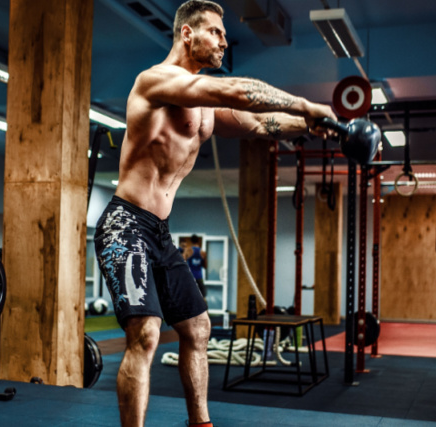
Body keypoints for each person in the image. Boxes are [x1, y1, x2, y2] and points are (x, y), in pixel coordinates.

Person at [94, 1, 336, 426]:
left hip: (159, 232)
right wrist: (304, 104)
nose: (225, 40)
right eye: (216, 32)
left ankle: (199, 423)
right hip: (124, 224)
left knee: (198, 328)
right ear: (188, 34)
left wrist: (310, 126)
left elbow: (261, 124)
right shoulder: (156, 81)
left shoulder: (203, 105)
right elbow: (240, 91)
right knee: (147, 333)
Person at [183, 234, 207, 299]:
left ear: (191, 241)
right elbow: (205, 266)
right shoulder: (203, 252)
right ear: (198, 241)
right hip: (199, 277)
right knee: (202, 298)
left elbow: (183, 263)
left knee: (189, 297)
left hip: (191, 277)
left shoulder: (188, 251)